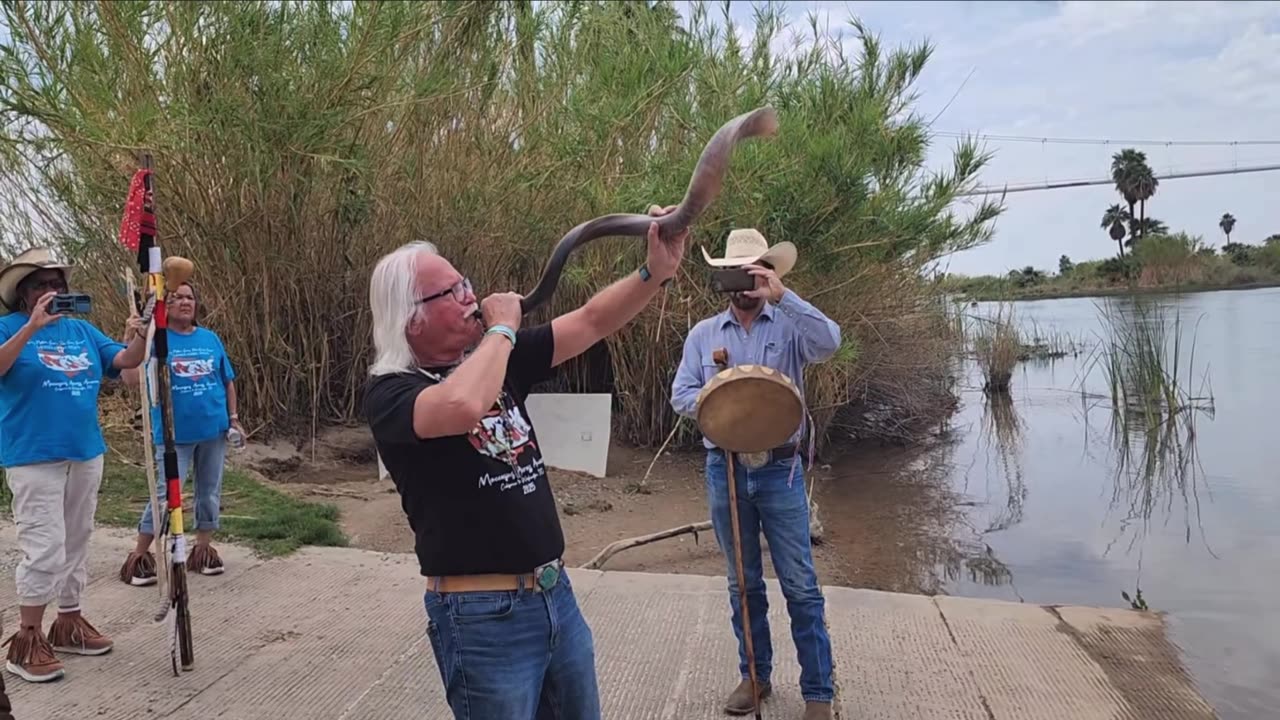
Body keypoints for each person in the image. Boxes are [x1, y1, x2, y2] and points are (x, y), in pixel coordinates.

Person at [363, 204, 688, 719]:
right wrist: (502, 330)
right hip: (481, 617)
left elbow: (592, 320)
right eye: (453, 291)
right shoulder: (391, 393)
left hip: (555, 597)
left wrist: (654, 272)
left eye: (464, 281)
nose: (471, 294)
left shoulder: (495, 360)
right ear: (411, 317)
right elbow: (460, 406)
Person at [670, 229, 841, 720]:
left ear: (766, 271)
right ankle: (755, 677)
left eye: (754, 271)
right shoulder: (704, 333)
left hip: (780, 469)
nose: (745, 282)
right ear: (724, 276)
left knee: (801, 586)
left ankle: (818, 694)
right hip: (724, 469)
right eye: (736, 272)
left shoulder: (790, 327)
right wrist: (723, 400)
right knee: (742, 585)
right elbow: (681, 393)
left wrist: (784, 297)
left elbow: (830, 342)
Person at [0, 248, 146, 683]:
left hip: (84, 451)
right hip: (33, 454)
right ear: (25, 296)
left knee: (77, 540)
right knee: (44, 546)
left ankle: (69, 622)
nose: (53, 292)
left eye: (58, 285)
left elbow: (125, 363)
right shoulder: (9, 328)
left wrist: (140, 333)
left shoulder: (82, 330)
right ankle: (27, 639)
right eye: (42, 286)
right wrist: (31, 329)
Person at [118, 280, 243, 585]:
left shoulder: (210, 339)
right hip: (174, 435)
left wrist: (234, 418)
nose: (185, 302)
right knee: (164, 495)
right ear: (164, 305)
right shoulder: (154, 340)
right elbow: (131, 379)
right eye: (176, 298)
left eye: (189, 297)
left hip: (213, 429)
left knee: (210, 491)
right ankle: (140, 556)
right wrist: (130, 335)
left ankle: (202, 550)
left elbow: (226, 380)